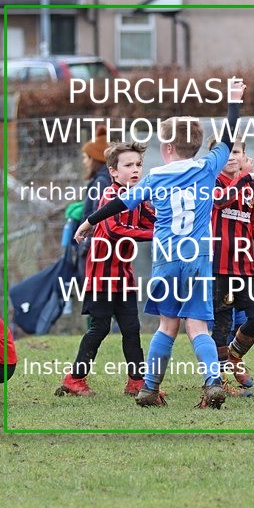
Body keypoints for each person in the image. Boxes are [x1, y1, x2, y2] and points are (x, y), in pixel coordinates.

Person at [74, 79, 247, 409]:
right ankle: (212, 383)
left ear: (166, 148)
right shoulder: (209, 166)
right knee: (198, 327)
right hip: (197, 259)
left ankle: (149, 388)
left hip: (167, 260)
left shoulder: (154, 178)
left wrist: (89, 221)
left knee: (167, 325)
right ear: (196, 147)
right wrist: (234, 101)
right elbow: (227, 136)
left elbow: (120, 204)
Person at [56, 142, 156, 398]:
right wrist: (156, 235)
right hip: (101, 277)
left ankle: (136, 381)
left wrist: (169, 226)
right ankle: (74, 379)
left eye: (138, 165)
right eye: (128, 165)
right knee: (99, 328)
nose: (135, 170)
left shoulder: (140, 198)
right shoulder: (111, 196)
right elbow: (115, 230)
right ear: (113, 172)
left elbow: (152, 220)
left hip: (124, 277)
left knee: (131, 328)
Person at [208, 135, 254, 394]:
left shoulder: (251, 188)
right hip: (217, 266)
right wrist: (245, 178)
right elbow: (220, 201)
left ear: (244, 156)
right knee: (221, 325)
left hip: (244, 266)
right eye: (224, 152)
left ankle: (235, 355)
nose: (231, 157)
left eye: (236, 152)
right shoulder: (210, 181)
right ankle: (219, 379)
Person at [76, 127, 112, 285]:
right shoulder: (103, 180)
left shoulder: (101, 182)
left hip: (95, 249)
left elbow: (99, 216)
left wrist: (85, 246)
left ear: (95, 159)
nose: (84, 162)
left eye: (86, 157)